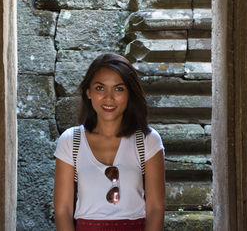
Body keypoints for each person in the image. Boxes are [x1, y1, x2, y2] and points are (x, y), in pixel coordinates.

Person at [53, 53, 165, 231]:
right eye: (100, 88)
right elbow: (62, 210)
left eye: (119, 89)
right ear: (88, 92)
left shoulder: (147, 140)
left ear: (130, 94)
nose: (109, 97)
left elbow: (156, 208)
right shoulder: (70, 141)